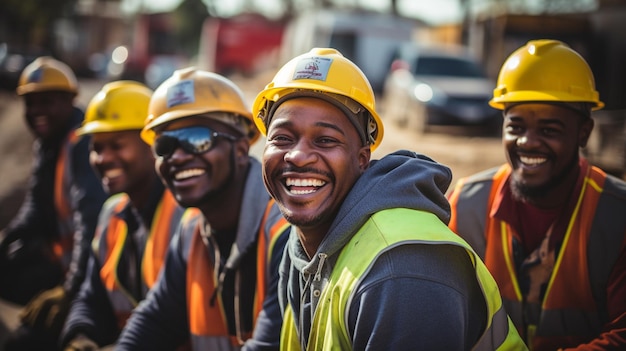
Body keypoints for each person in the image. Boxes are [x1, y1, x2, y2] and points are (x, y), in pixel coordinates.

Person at [252, 47, 526, 350]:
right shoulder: (300, 249)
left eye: (326, 140)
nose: (299, 155)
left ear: (362, 159)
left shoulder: (401, 269)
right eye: (282, 138)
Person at [448, 39, 626, 350]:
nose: (527, 142)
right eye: (515, 127)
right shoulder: (467, 204)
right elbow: (442, 309)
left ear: (584, 132)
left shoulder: (616, 215)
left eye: (549, 130)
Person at [115, 67, 290, 350]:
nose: (178, 157)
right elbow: (155, 319)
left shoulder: (283, 232)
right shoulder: (191, 229)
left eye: (197, 139)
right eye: (165, 146)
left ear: (241, 148)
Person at [57, 81, 193, 350]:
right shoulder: (113, 213)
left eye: (117, 145)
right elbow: (91, 296)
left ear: (154, 146)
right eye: (97, 148)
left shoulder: (186, 214)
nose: (103, 158)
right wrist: (81, 335)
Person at [0, 56, 107, 350]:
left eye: (47, 102)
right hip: (60, 261)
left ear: (69, 101)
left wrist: (69, 290)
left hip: (85, 274)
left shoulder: (81, 143)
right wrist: (6, 241)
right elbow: (34, 208)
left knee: (24, 342)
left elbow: (91, 223)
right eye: (31, 104)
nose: (36, 111)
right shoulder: (47, 145)